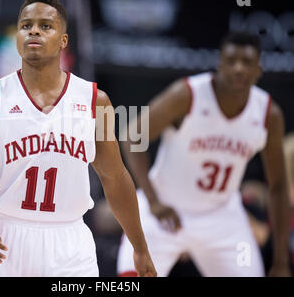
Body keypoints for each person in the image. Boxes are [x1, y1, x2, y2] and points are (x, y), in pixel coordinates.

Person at [0, 0, 156, 277]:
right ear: (17, 37)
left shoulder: (94, 101)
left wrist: (139, 246)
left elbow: (114, 177)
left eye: (45, 26)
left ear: (63, 40)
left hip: (70, 241)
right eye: (26, 25)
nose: (34, 30)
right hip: (6, 238)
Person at [117, 31, 291, 277]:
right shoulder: (188, 94)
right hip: (164, 209)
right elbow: (133, 134)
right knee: (130, 279)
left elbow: (278, 185)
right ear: (220, 64)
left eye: (247, 63)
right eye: (231, 61)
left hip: (221, 216)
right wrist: (153, 200)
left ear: (259, 69)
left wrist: (281, 261)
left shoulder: (268, 115)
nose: (239, 69)